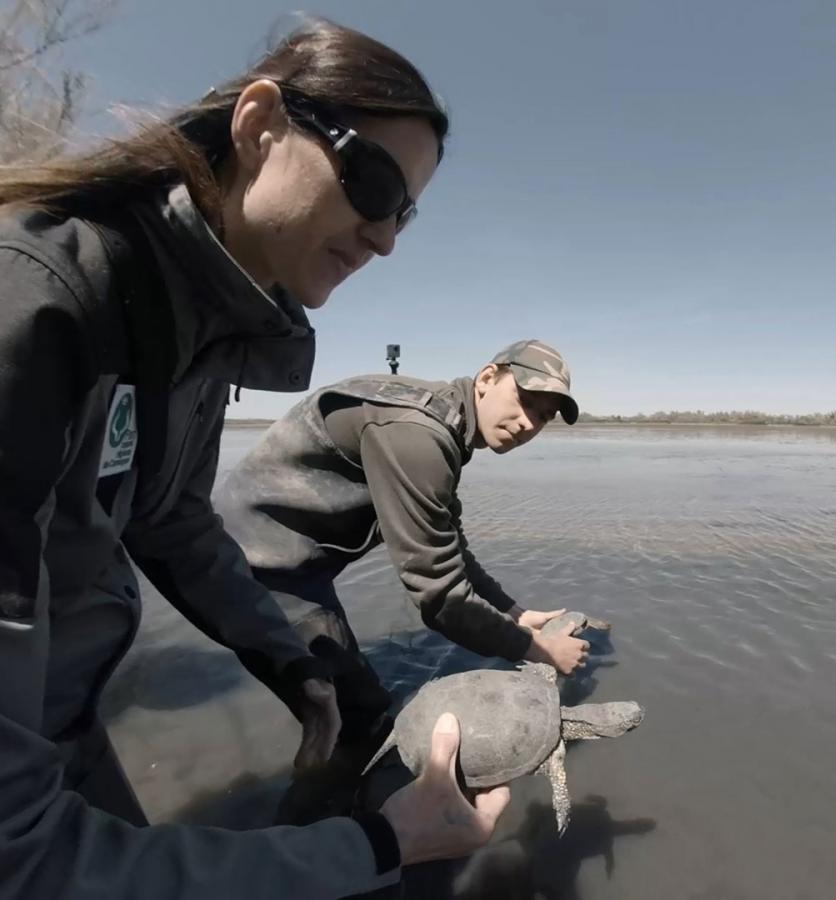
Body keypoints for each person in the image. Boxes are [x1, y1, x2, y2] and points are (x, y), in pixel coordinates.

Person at [0, 17, 509, 898]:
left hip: (64, 714)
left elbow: (170, 518)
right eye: (374, 182)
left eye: (406, 213)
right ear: (260, 122)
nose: (386, 237)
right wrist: (381, 847)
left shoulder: (198, 329)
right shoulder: (39, 308)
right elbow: (21, 855)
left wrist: (288, 662)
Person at [212, 340, 589, 820]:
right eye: (526, 401)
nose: (528, 423)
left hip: (295, 560)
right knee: (355, 715)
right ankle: (316, 841)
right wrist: (539, 649)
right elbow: (441, 598)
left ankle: (335, 822)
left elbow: (448, 542)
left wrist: (514, 612)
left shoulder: (446, 425)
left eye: (543, 417)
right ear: (488, 378)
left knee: (350, 707)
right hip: (255, 562)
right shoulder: (417, 435)